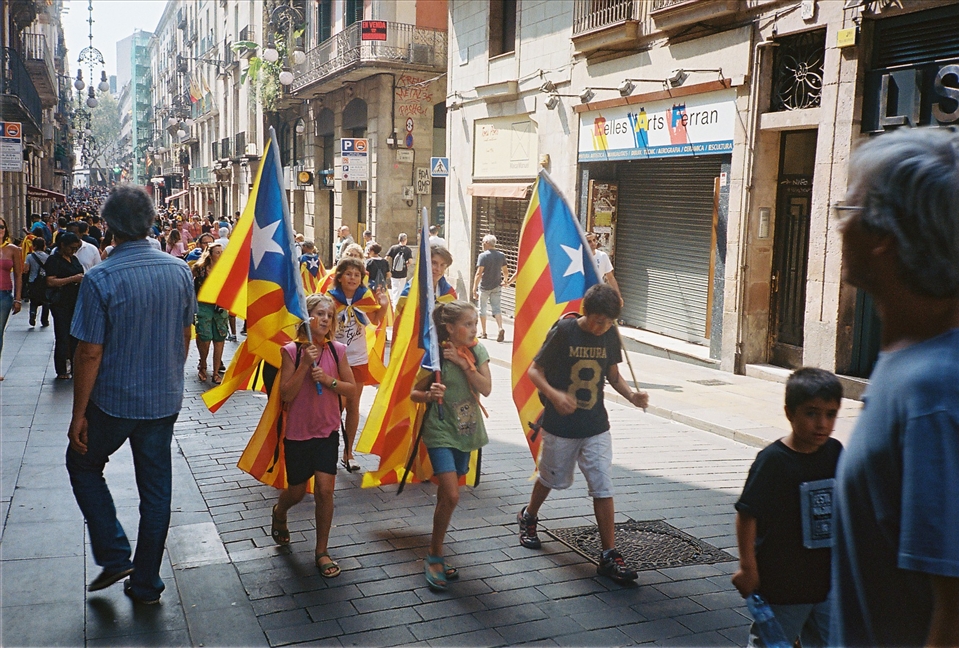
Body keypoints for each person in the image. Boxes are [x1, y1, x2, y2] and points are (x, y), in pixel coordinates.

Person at [830, 128, 959, 647]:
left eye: (848, 209)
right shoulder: (907, 367)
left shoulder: (933, 392)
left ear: (884, 235)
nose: (839, 226)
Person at [66, 185, 195, 605]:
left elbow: (89, 352)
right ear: (150, 222)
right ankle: (145, 584)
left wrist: (78, 415)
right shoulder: (178, 271)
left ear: (109, 227)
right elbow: (185, 333)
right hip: (163, 401)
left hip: (115, 401)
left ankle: (114, 551)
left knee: (82, 463)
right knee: (156, 492)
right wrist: (172, 376)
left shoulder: (100, 277)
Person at [517, 283, 649, 584]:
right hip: (560, 427)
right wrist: (554, 395)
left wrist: (632, 396)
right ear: (586, 312)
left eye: (608, 322)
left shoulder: (610, 334)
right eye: (597, 320)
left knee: (602, 483)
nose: (601, 327)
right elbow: (534, 371)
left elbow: (613, 375)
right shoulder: (564, 331)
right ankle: (529, 516)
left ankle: (608, 554)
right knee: (550, 478)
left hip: (595, 425)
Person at [732, 368, 843, 648]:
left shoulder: (835, 452)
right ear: (789, 413)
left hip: (827, 582)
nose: (822, 423)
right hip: (783, 584)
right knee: (772, 642)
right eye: (811, 413)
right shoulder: (773, 461)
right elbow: (747, 514)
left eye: (830, 414)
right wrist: (748, 567)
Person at [269, 294, 355, 578]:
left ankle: (321, 550)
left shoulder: (337, 351)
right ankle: (280, 512)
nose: (324, 319)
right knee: (296, 491)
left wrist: (329, 381)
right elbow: (286, 394)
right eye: (319, 313)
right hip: (298, 434)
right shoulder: (291, 351)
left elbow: (350, 389)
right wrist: (305, 365)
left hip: (327, 431)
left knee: (325, 491)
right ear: (306, 318)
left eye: (329, 316)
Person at [411, 300, 491, 591]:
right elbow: (414, 394)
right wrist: (430, 395)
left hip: (466, 430)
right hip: (440, 429)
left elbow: (486, 388)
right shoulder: (435, 355)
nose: (473, 329)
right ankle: (434, 556)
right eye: (467, 324)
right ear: (449, 328)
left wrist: (462, 363)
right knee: (453, 496)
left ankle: (436, 548)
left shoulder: (478, 351)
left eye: (474, 323)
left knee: (447, 496)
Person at [327, 257, 388, 472]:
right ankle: (328, 449)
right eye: (349, 274)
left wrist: (383, 306)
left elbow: (375, 321)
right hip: (334, 360)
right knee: (336, 407)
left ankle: (348, 452)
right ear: (340, 277)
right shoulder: (330, 300)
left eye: (357, 274)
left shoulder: (365, 298)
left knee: (353, 405)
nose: (353, 278)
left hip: (358, 358)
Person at [44, 232, 84, 380]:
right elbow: (50, 281)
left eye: (75, 248)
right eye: (71, 248)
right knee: (62, 335)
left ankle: (75, 366)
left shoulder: (74, 259)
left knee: (75, 336)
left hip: (76, 300)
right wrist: (72, 279)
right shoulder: (54, 260)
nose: (73, 251)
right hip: (61, 302)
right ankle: (61, 369)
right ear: (62, 245)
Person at [193, 242, 228, 383]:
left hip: (220, 307)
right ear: (210, 254)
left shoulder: (226, 269)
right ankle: (202, 366)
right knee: (205, 337)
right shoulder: (200, 269)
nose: (221, 254)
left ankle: (215, 372)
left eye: (221, 252)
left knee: (219, 339)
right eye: (217, 252)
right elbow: (190, 287)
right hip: (203, 306)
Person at [472, 234, 509, 342]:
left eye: (483, 242)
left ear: (487, 243)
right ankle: (500, 327)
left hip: (484, 287)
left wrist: (474, 289)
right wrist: (505, 280)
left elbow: (479, 273)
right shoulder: (501, 255)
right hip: (497, 286)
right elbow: (505, 271)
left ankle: (483, 333)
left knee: (482, 309)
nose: (482, 244)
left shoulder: (483, 256)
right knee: (496, 308)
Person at [0, 217, 23, 381]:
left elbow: (18, 275)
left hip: (4, 295)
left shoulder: (13, 249)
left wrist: (18, 298)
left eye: (1, 226)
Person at [586, 233, 622, 306]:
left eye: (594, 240)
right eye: (589, 241)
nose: (593, 243)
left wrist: (618, 296)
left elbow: (611, 278)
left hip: (597, 295)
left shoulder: (602, 256)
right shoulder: (580, 257)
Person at [24, 236, 50, 328]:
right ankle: (44, 320)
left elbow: (26, 269)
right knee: (46, 301)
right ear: (44, 246)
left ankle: (32, 313)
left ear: (34, 246)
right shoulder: (48, 257)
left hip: (33, 281)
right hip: (44, 282)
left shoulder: (30, 256)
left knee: (33, 300)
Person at [386, 233, 413, 303]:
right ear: (406, 240)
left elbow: (386, 258)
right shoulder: (408, 250)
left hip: (394, 272)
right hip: (403, 272)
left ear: (399, 239)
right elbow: (410, 261)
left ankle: (395, 303)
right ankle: (400, 303)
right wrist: (406, 264)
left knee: (395, 289)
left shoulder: (393, 248)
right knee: (401, 289)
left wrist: (387, 268)